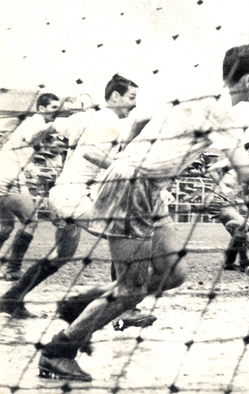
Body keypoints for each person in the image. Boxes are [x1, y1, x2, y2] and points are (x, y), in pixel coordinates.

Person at [37, 45, 249, 382]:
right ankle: (59, 351)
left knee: (173, 274)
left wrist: (132, 149)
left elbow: (141, 118)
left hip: (149, 189)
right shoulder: (223, 112)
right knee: (132, 288)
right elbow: (247, 172)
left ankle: (83, 305)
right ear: (247, 79)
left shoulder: (194, 91)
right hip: (132, 187)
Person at [0, 76, 157, 326]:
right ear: (114, 97)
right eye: (131, 98)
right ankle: (124, 307)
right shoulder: (110, 123)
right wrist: (124, 170)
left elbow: (50, 128)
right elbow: (90, 152)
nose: (133, 104)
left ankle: (12, 297)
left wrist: (36, 137)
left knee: (62, 256)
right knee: (123, 236)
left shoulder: (84, 117)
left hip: (61, 194)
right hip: (74, 197)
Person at [0, 93, 61, 281]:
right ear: (41, 109)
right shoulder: (34, 123)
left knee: (5, 227)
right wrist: (52, 128)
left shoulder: (34, 123)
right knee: (31, 220)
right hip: (8, 177)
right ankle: (12, 269)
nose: (57, 111)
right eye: (53, 108)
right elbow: (29, 138)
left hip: (5, 174)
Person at [204, 140, 249, 271]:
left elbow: (245, 193)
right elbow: (211, 169)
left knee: (237, 232)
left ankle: (229, 262)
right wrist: (221, 185)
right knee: (241, 227)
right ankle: (244, 262)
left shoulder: (247, 170)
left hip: (226, 203)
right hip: (217, 200)